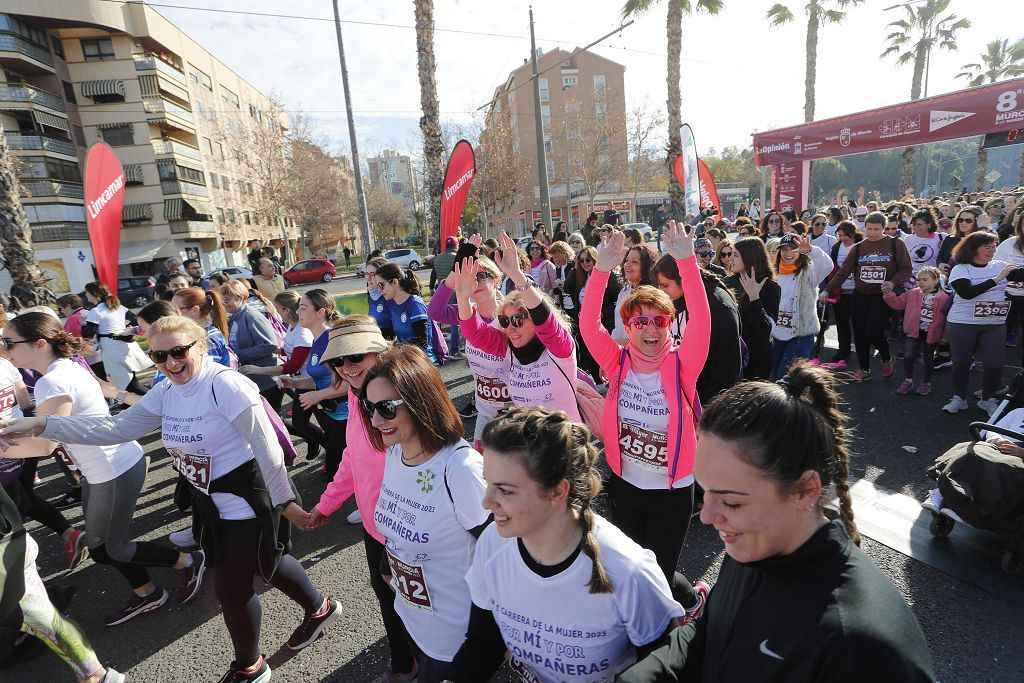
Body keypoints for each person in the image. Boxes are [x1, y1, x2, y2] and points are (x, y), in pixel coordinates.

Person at [5, 317, 341, 681]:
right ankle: (321, 608)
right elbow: (117, 428)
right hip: (208, 499)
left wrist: (285, 503)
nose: (170, 362)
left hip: (248, 498)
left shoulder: (224, 384)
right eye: (159, 355)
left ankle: (250, 667)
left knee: (230, 588)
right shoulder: (167, 390)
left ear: (200, 345)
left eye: (178, 351)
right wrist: (43, 425)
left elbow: (268, 448)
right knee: (268, 562)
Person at [618, 362, 936, 683]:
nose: (708, 516)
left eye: (732, 501)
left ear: (805, 491)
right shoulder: (752, 546)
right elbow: (710, 628)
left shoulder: (863, 650)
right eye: (705, 491)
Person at [445, 407, 685, 682]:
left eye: (506, 490)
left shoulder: (628, 571)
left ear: (558, 491)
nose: (486, 502)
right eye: (488, 484)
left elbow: (664, 665)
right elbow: (484, 643)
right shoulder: (492, 544)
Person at [0, 313, 202, 627]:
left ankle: (188, 561)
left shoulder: (52, 381)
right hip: (106, 467)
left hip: (112, 468)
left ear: (40, 344)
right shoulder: (66, 366)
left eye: (10, 342)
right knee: (104, 544)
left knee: (107, 548)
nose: (4, 347)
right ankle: (147, 590)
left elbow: (46, 446)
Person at [578, 222, 710, 620]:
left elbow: (702, 321)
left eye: (659, 321)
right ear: (629, 327)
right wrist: (600, 270)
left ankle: (685, 608)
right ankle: (688, 599)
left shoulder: (682, 363)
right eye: (640, 321)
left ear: (669, 324)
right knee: (633, 570)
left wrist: (687, 264)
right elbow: (588, 325)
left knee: (658, 576)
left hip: (672, 492)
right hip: (626, 486)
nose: (650, 328)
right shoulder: (616, 362)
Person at [357, 344, 490, 682]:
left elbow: (499, 554)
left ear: (420, 401)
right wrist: (390, 568)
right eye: (368, 407)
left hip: (456, 642)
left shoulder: (460, 468)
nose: (375, 420)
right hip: (414, 622)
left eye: (386, 408)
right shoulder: (396, 452)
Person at [302, 318, 417, 682]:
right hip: (375, 524)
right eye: (338, 361)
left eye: (355, 357)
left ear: (379, 350)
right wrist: (327, 504)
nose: (346, 368)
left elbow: (436, 458)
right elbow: (353, 455)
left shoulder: (405, 393)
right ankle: (405, 665)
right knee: (388, 596)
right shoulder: (357, 396)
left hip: (412, 527)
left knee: (425, 603)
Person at [456, 234, 583, 421]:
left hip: (563, 444)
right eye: (505, 321)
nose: (510, 328)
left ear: (534, 320)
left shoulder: (559, 349)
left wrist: (516, 275)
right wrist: (462, 296)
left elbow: (546, 321)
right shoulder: (510, 349)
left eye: (517, 320)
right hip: (528, 443)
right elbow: (474, 333)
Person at [0, 350, 87, 572]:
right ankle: (69, 534)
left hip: (7, 445)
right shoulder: (5, 364)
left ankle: (22, 568)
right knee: (22, 497)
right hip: (23, 437)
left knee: (10, 507)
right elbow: (25, 402)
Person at [941, 232, 1024, 415]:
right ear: (973, 249)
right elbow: (967, 293)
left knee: (995, 364)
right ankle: (959, 398)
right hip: (963, 322)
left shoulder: (1001, 266)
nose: (992, 250)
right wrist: (997, 279)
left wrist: (1003, 275)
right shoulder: (961, 269)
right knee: (961, 362)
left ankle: (988, 399)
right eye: (987, 247)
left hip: (994, 323)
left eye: (994, 246)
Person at [825, 211, 912, 382]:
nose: (872, 232)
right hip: (861, 295)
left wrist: (893, 283)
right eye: (869, 228)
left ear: (884, 228)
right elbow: (844, 271)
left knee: (873, 331)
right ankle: (864, 368)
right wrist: (828, 289)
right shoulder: (858, 247)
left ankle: (886, 358)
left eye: (877, 229)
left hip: (882, 296)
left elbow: (906, 269)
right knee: (859, 332)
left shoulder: (895, 244)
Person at [428, 256, 511, 431]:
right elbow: (435, 311)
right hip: (484, 411)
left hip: (513, 411)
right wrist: (454, 277)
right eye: (469, 278)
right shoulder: (466, 313)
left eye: (481, 276)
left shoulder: (510, 316)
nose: (475, 282)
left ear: (496, 281)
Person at [277, 290, 348, 478]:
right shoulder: (316, 340)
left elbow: (349, 383)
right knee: (339, 470)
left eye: (303, 308)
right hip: (331, 414)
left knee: (336, 472)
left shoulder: (331, 340)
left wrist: (318, 395)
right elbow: (319, 379)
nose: (297, 312)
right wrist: (294, 382)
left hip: (346, 417)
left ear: (320, 312)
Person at [655, 252, 742, 402]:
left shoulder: (718, 305)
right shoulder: (677, 297)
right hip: (682, 393)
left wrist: (710, 407)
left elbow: (727, 367)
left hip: (709, 400)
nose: (661, 292)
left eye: (665, 285)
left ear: (682, 279)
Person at [769, 234, 833, 379]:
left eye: (793, 249)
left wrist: (811, 249)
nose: (788, 253)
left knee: (786, 378)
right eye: (784, 249)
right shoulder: (773, 272)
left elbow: (828, 266)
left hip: (801, 333)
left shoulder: (809, 271)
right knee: (775, 375)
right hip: (777, 332)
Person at [220, 279, 283, 413]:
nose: (223, 303)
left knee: (275, 423)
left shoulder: (252, 315)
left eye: (227, 299)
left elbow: (269, 344)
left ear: (241, 298)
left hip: (267, 379)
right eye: (222, 299)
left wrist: (237, 355)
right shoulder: (234, 317)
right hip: (254, 379)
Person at [883, 266, 948, 396]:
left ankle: (926, 383)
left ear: (935, 281)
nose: (920, 282)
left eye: (925, 279)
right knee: (908, 356)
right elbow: (898, 304)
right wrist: (888, 294)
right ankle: (908, 380)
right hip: (914, 330)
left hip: (932, 333)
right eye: (918, 279)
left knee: (928, 358)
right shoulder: (913, 293)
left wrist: (946, 336)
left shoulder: (944, 298)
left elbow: (947, 319)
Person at [563, 245, 621, 385]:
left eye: (588, 260)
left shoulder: (608, 274)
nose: (585, 263)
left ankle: (609, 381)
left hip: (603, 323)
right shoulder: (580, 276)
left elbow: (617, 300)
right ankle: (597, 382)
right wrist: (576, 268)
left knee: (601, 354)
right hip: (584, 322)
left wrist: (603, 313)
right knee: (587, 354)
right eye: (581, 261)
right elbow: (566, 288)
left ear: (595, 259)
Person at [81, 282, 151, 395]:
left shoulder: (96, 311)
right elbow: (136, 320)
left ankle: (159, 402)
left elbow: (87, 335)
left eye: (87, 292)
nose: (85, 294)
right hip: (126, 346)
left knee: (128, 385)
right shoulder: (119, 307)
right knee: (129, 383)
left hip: (112, 350)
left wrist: (83, 323)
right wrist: (126, 330)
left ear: (94, 294)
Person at [725, 237, 780, 380]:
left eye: (735, 255)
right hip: (732, 356)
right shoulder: (728, 282)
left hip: (757, 360)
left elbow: (766, 330)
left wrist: (754, 297)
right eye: (731, 254)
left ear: (750, 258)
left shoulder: (771, 287)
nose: (730, 259)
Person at [374, 263, 436, 363]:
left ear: (394, 282)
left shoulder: (415, 304)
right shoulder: (393, 305)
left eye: (381, 285)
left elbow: (422, 343)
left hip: (422, 362)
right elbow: (396, 337)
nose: (379, 290)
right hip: (406, 360)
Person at [821, 222, 862, 371]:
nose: (843, 238)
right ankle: (843, 351)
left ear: (853, 234)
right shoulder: (837, 247)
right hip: (840, 291)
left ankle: (862, 352)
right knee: (841, 322)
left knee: (858, 324)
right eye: (840, 235)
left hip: (857, 291)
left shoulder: (860, 246)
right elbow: (833, 268)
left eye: (846, 235)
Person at [171, 287, 233, 369]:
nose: (171, 314)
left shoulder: (209, 339)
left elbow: (209, 373)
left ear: (194, 310)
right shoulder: (200, 334)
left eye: (176, 309)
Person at [612, 243, 659, 344]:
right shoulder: (624, 291)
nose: (627, 264)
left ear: (646, 267)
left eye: (634, 261)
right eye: (627, 260)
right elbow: (618, 326)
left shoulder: (652, 296)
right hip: (620, 352)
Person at [994, 206, 1024, 349]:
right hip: (1006, 295)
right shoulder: (1008, 243)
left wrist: (1012, 273)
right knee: (1000, 336)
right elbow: (994, 266)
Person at [363, 256, 395, 340]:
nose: (368, 279)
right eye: (367, 274)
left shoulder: (389, 297)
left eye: (372, 275)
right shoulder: (371, 296)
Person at [547, 241, 575, 311]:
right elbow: (558, 289)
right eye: (553, 257)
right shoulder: (558, 268)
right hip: (565, 306)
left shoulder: (574, 266)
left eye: (556, 256)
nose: (554, 260)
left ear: (564, 254)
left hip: (575, 306)